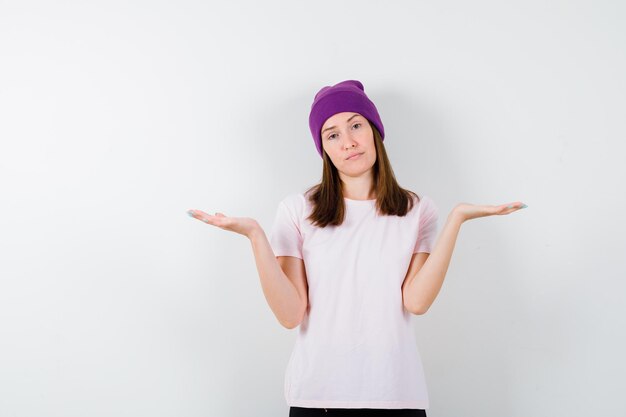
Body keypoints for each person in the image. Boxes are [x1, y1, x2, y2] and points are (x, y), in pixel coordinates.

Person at [186, 80, 527, 416]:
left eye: (355, 126)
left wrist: (456, 220)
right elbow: (290, 314)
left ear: (375, 131)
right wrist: (256, 237)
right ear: (324, 149)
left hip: (395, 395)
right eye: (332, 134)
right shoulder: (297, 210)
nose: (347, 142)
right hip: (318, 397)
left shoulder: (417, 210)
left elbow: (416, 302)